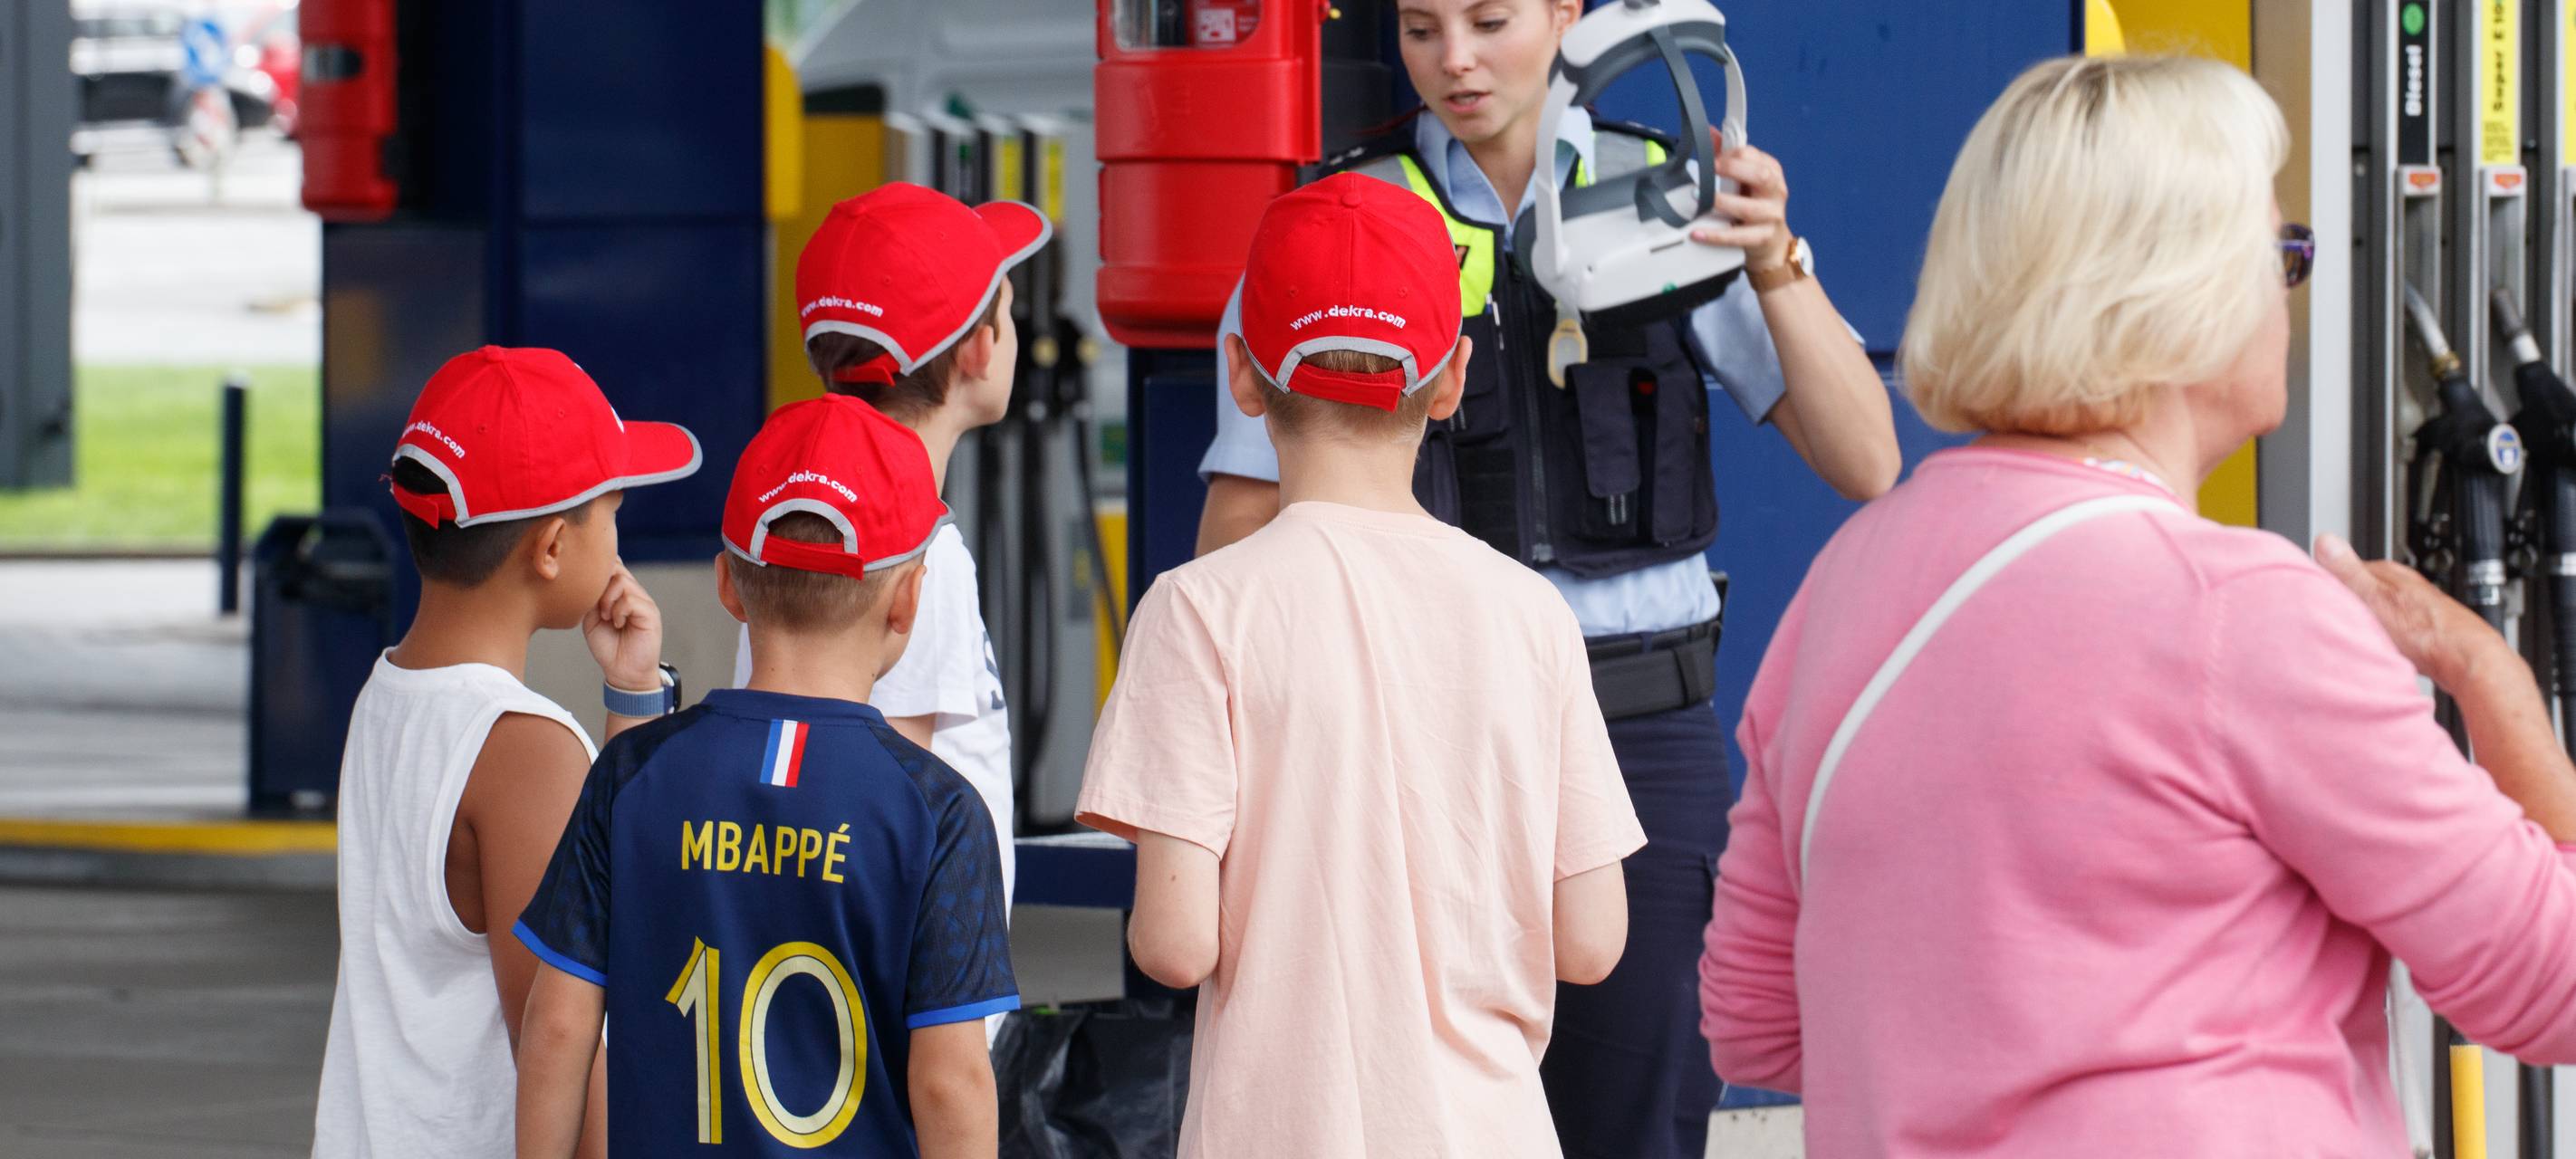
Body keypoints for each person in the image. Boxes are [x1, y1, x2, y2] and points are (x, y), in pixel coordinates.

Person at [1698, 54, 2576, 1156]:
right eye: (2283, 255)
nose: (2288, 294)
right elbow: (2556, 981)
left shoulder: (1848, 581)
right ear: (2186, 292)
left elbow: (1758, 1021)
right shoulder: (2241, 612)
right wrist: (2488, 671)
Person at [1192, 4, 1898, 1153]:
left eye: (1489, 19)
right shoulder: (1340, 221)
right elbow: (1235, 535)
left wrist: (1774, 258)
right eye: (1420, 27)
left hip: (1641, 733)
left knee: (1639, 1116)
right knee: (1414, 1114)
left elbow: (1866, 458)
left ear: (1568, 13)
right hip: (1411, 736)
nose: (1455, 60)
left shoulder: (1673, 195)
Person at [1079, 173, 1648, 1158]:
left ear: (1242, 374)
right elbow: (1593, 941)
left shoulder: (1198, 607)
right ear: (1453, 378)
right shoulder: (1531, 613)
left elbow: (1173, 945)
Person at [514, 394, 1017, 1158]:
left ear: (727, 585)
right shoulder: (938, 812)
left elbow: (557, 1026)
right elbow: (952, 1084)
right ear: (909, 600)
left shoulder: (632, 774)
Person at [312, 346, 703, 1157]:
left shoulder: (389, 694)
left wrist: (633, 696)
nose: (619, 538)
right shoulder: (525, 747)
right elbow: (562, 1036)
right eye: (613, 509)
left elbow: (599, 885)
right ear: (553, 547)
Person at [735, 181, 1048, 914]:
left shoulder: (796, 515)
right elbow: (888, 808)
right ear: (979, 349)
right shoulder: (919, 554)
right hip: (910, 975)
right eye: (1007, 309)